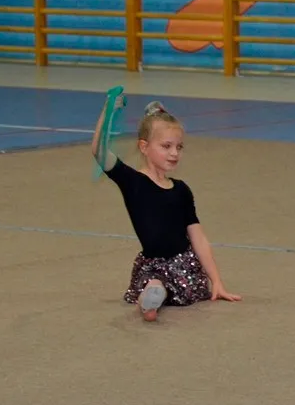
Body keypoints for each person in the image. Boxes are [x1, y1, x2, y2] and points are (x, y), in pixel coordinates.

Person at [92, 97, 241, 322]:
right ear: (144, 147)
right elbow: (99, 152)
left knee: (164, 285)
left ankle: (154, 296)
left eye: (179, 147)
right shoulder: (133, 182)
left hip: (184, 267)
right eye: (166, 146)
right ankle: (151, 298)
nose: (174, 153)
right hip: (152, 265)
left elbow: (198, 237)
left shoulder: (181, 190)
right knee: (154, 283)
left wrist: (217, 281)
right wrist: (108, 109)